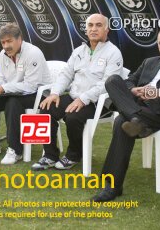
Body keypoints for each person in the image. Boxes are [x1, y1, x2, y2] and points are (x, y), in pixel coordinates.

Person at [91, 29, 160, 202]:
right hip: (138, 107)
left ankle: (112, 186)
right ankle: (135, 118)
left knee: (120, 122)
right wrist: (134, 90)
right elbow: (128, 81)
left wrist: (157, 93)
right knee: (112, 80)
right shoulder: (149, 62)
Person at [31, 14, 123, 171]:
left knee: (73, 117)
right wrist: (55, 93)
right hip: (74, 97)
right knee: (46, 109)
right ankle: (50, 155)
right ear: (86, 29)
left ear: (106, 29)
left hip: (98, 102)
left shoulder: (113, 53)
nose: (94, 29)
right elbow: (66, 74)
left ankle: (74, 155)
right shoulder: (79, 50)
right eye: (91, 25)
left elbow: (107, 84)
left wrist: (84, 99)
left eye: (98, 25)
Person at [0, 23, 51, 164]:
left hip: (39, 95)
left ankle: (15, 151)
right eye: (3, 42)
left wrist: (2, 89)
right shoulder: (3, 54)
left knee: (13, 103)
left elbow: (31, 86)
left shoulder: (33, 53)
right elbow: (2, 78)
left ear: (19, 39)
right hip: (15, 91)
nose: (6, 46)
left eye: (9, 41)